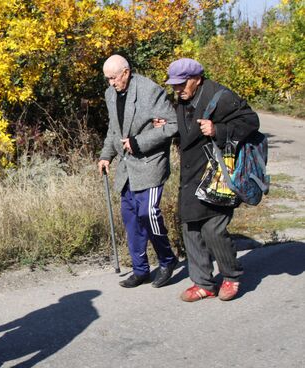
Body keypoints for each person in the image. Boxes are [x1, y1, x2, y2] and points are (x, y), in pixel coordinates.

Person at [160, 58, 259, 302]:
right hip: (191, 174)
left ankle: (231, 275)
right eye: (174, 85)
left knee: (213, 227)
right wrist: (169, 127)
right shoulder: (183, 99)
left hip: (216, 174)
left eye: (182, 84)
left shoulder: (221, 96)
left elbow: (250, 121)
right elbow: (189, 132)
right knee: (190, 226)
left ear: (197, 78)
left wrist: (218, 130)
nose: (178, 89)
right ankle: (203, 282)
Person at [97, 55, 180, 288]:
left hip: (149, 163)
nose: (111, 83)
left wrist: (139, 141)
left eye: (113, 78)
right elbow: (113, 129)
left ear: (126, 72)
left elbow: (173, 124)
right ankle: (140, 269)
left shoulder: (150, 91)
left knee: (148, 214)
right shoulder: (110, 95)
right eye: (107, 79)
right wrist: (106, 155)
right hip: (126, 167)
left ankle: (167, 260)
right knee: (131, 217)